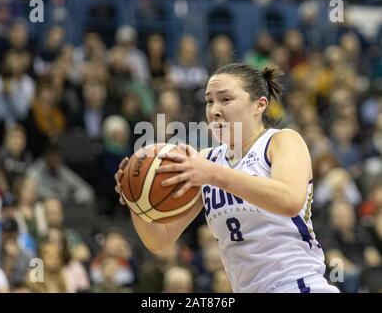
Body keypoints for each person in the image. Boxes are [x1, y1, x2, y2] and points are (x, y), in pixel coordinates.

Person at [114, 63, 339, 293]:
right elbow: (159, 241)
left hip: (298, 285)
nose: (214, 109)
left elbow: (289, 200)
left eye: (225, 99)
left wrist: (213, 174)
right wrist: (135, 197)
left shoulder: (281, 142)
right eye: (210, 100)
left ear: (259, 105)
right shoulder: (206, 162)